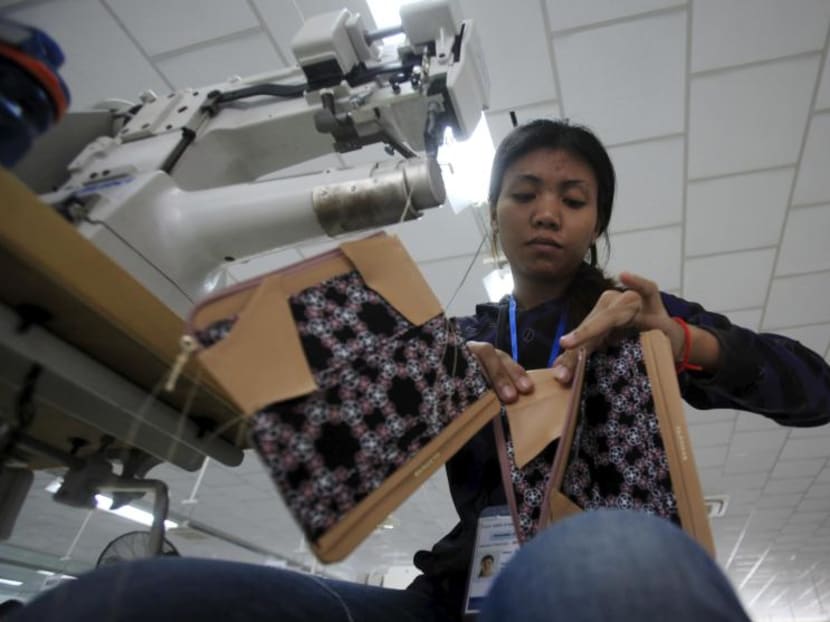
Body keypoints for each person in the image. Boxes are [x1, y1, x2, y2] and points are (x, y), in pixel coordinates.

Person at [10, 120, 830, 622]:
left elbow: (815, 390)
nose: (547, 211)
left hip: (604, 549)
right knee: (127, 605)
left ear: (596, 222)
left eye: (573, 198)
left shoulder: (637, 314)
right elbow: (344, 442)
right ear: (498, 210)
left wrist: (682, 342)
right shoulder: (458, 340)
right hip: (450, 595)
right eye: (526, 193)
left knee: (601, 568)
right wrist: (436, 383)